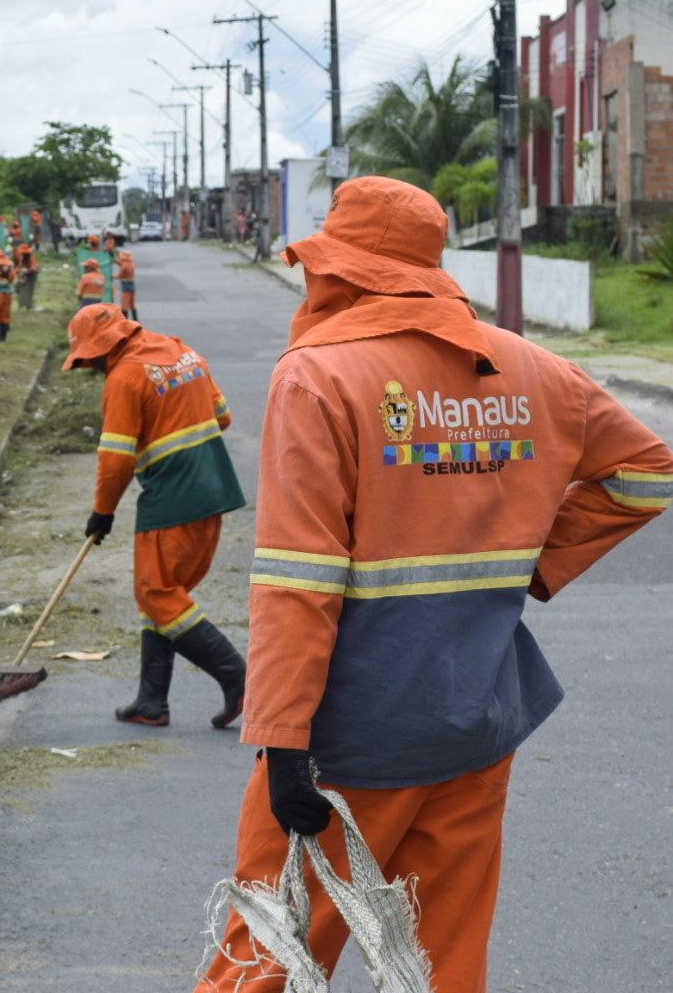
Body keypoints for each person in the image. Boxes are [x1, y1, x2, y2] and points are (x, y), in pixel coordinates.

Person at [195, 176, 673, 993]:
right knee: (439, 960)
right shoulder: (535, 370)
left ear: (340, 270)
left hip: (352, 737)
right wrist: (534, 561)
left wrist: (280, 739)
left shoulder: (319, 378)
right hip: (475, 724)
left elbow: (298, 582)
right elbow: (646, 473)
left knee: (269, 954)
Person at [63, 303, 247, 729]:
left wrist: (102, 513)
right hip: (213, 490)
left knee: (157, 593)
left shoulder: (125, 378)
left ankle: (237, 676)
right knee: (162, 595)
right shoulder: (183, 352)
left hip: (172, 499)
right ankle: (151, 701)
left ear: (100, 350)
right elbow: (223, 416)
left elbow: (115, 460)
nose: (90, 368)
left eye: (88, 360)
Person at [114, 247, 137, 320]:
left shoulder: (124, 266)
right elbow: (121, 263)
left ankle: (125, 320)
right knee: (132, 303)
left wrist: (113, 276)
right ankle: (135, 319)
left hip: (126, 285)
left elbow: (120, 275)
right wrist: (115, 260)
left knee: (125, 303)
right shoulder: (132, 264)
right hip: (132, 285)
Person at [14, 242, 38, 310]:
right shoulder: (22, 258)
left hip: (31, 276)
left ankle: (29, 305)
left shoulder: (32, 257)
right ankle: (21, 304)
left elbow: (34, 267)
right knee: (20, 289)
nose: (22, 254)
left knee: (29, 291)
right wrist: (17, 272)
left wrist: (27, 270)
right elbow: (19, 267)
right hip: (23, 276)